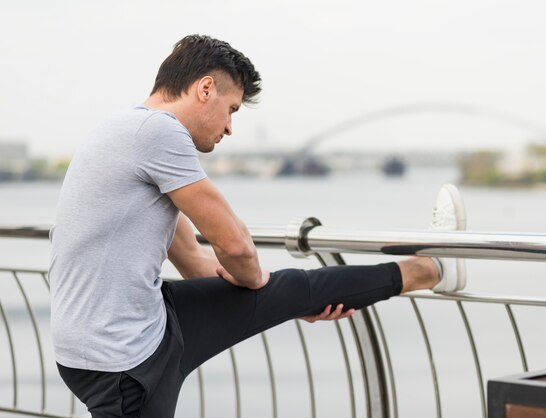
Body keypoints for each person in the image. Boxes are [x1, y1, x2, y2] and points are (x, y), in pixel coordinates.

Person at [49, 34, 466, 418]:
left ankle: (429, 269)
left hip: (117, 332)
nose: (230, 127)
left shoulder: (122, 127)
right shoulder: (158, 133)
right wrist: (261, 285)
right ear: (205, 88)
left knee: (295, 289)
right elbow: (235, 245)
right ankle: (432, 269)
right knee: (281, 284)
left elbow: (191, 257)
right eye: (231, 110)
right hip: (124, 359)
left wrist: (280, 303)